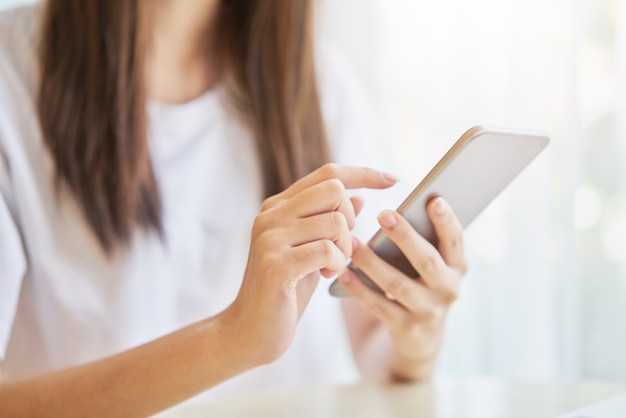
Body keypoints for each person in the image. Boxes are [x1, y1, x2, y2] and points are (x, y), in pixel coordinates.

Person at [0, 1, 468, 416]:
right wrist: (231, 340)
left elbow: (375, 348)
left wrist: (417, 338)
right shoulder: (11, 72)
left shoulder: (320, 83)